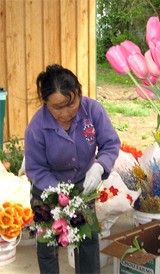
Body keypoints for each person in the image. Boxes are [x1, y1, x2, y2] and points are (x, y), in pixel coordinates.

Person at [25, 64, 120, 274]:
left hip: (83, 186)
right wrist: (59, 194)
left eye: (71, 103)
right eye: (57, 107)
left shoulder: (93, 111)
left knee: (87, 239)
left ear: (78, 92)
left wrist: (99, 167)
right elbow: (36, 168)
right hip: (46, 191)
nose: (66, 113)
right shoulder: (37, 128)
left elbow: (110, 144)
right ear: (45, 103)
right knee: (48, 242)